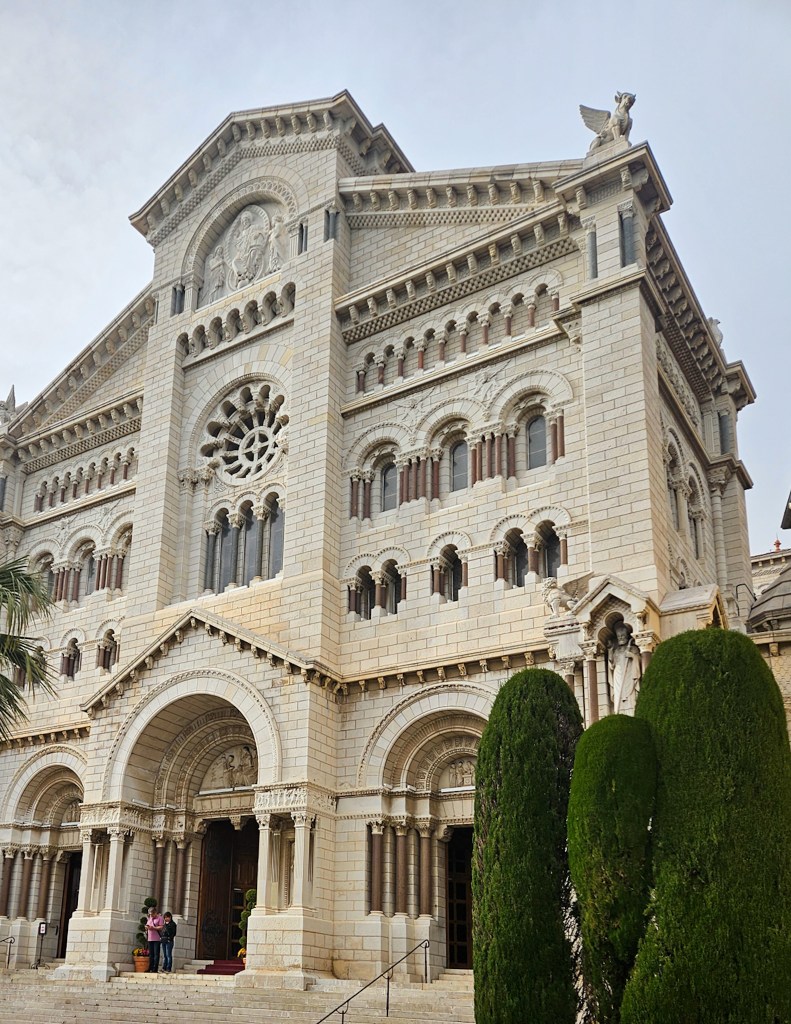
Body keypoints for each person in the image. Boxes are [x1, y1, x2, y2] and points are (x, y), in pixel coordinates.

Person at [145, 904, 164, 973]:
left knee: (156, 954)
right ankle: (150, 967)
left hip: (156, 938)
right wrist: (147, 927)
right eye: (150, 914)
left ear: (155, 912)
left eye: (152, 914)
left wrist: (154, 928)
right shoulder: (150, 918)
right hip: (150, 938)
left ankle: (155, 968)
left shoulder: (160, 918)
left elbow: (161, 927)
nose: (151, 916)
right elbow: (147, 924)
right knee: (151, 954)